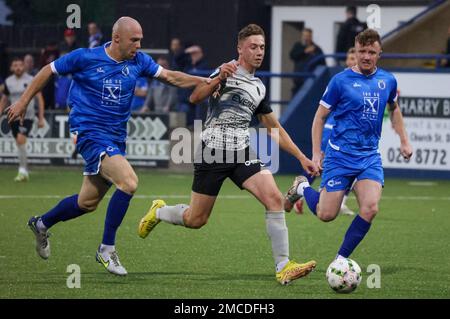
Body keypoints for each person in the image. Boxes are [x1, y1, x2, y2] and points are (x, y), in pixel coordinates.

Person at [6, 17, 207, 276]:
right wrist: (23, 101)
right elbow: (47, 71)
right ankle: (106, 249)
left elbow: (171, 77)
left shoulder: (139, 61)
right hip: (89, 133)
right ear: (117, 39)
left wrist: (204, 81)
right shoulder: (84, 57)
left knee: (86, 203)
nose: (139, 45)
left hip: (115, 138)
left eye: (140, 40)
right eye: (134, 40)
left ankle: (42, 223)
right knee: (129, 182)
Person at [138, 24, 319, 285]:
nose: (259, 52)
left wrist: (302, 158)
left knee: (273, 200)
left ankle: (283, 266)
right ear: (240, 49)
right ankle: (159, 211)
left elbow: (273, 128)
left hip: (242, 150)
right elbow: (195, 97)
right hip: (213, 151)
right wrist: (219, 77)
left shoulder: (258, 86)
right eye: (253, 47)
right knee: (196, 219)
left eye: (262, 47)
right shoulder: (226, 71)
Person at [284, 29, 413, 262]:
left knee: (371, 208)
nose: (366, 56)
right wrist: (315, 154)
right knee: (326, 214)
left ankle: (341, 260)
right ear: (355, 50)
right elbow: (319, 117)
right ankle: (302, 188)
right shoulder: (340, 81)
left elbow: (394, 109)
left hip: (368, 158)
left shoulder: (387, 80)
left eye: (371, 52)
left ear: (379, 53)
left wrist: (404, 140)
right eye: (361, 51)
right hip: (339, 157)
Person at [288, 47, 357, 215]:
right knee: (320, 165)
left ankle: (337, 201)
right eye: (350, 57)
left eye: (355, 57)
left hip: (349, 135)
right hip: (333, 130)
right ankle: (301, 192)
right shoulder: (342, 80)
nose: (353, 60)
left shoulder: (364, 80)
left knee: (351, 167)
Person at [0, 57, 45, 182]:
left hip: (27, 116)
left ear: (24, 67)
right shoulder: (8, 81)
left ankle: (22, 170)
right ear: (11, 68)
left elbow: (39, 98)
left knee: (20, 139)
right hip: (13, 116)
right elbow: (5, 99)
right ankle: (24, 166)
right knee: (19, 143)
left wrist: (41, 118)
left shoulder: (31, 80)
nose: (18, 67)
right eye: (15, 65)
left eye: (20, 65)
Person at [289, 28, 325, 95]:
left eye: (308, 36)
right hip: (298, 80)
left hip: (311, 80)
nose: (306, 38)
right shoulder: (298, 46)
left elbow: (323, 63)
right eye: (304, 36)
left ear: (311, 37)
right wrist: (304, 52)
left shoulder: (316, 49)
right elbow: (292, 56)